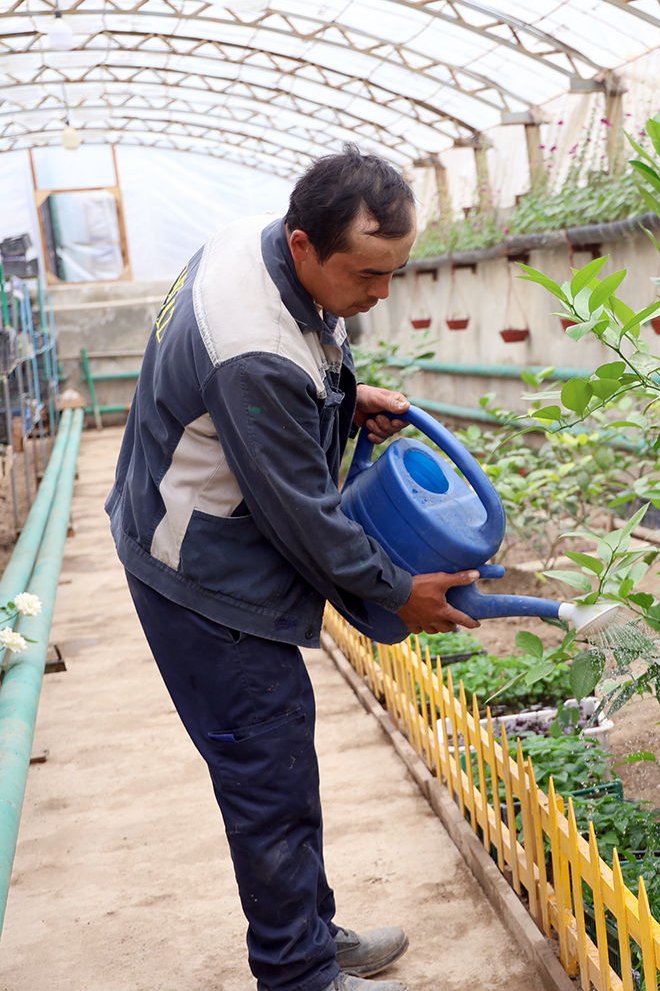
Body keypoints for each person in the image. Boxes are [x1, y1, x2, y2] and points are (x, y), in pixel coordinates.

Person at [106, 146, 482, 991]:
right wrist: (398, 593)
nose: (381, 294)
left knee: (282, 761)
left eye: (395, 273)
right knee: (266, 775)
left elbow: (292, 374)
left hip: (188, 521)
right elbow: (304, 515)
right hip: (201, 573)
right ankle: (298, 973)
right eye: (367, 275)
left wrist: (344, 399)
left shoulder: (260, 242)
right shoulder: (253, 347)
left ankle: (309, 934)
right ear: (305, 244)